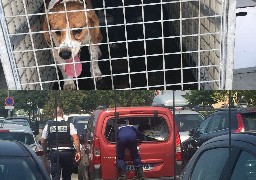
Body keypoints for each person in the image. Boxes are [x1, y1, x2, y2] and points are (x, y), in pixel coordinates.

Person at [41, 107, 81, 180]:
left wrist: (45, 152)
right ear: (63, 114)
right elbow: (76, 138)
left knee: (55, 175)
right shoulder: (69, 125)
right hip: (67, 153)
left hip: (55, 153)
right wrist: (78, 151)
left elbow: (43, 141)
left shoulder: (48, 125)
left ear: (54, 115)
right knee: (67, 175)